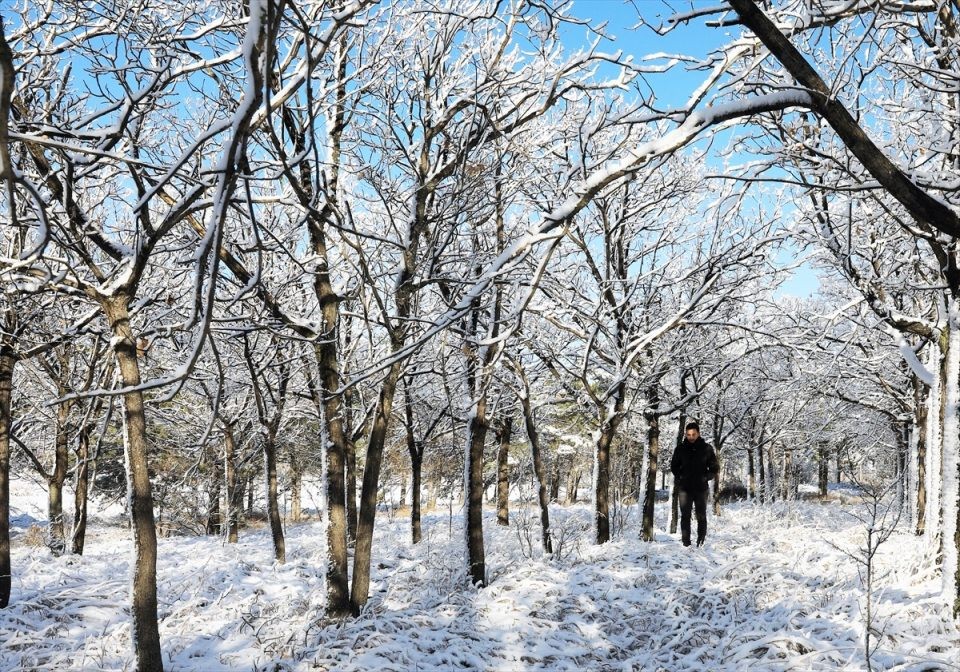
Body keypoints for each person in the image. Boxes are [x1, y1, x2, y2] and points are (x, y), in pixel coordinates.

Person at [670, 421, 719, 547]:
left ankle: (701, 542)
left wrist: (705, 477)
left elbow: (714, 467)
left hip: (701, 489)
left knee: (701, 516)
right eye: (688, 435)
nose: (691, 437)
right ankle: (686, 543)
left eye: (693, 434)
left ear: (698, 433)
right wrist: (680, 476)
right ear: (685, 435)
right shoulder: (680, 449)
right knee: (685, 516)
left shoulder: (707, 449)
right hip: (684, 489)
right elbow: (674, 466)